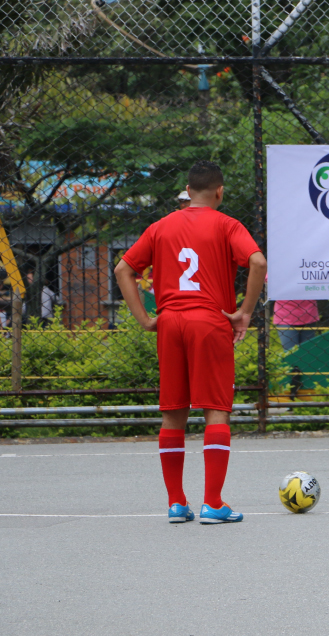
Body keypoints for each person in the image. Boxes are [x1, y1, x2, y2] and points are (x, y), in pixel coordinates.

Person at [114, 160, 266, 525]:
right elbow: (257, 262)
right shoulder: (227, 224)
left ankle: (176, 503)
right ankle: (212, 503)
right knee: (215, 408)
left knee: (173, 412)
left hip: (170, 322)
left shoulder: (161, 226)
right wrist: (244, 311)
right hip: (209, 321)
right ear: (219, 191)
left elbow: (123, 269)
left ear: (187, 189)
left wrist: (147, 319)